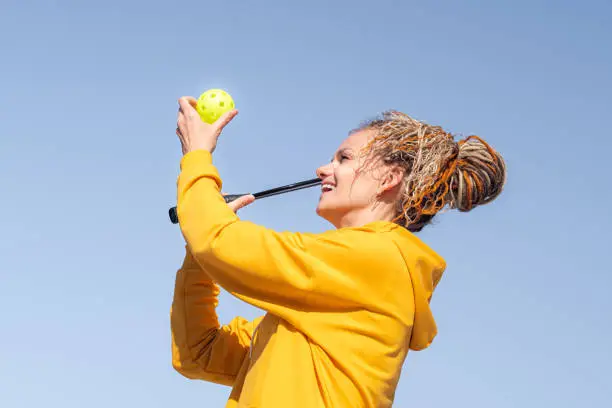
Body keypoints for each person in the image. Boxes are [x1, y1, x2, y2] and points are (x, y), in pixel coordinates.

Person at [170, 97, 506, 408]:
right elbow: (200, 352)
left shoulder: (378, 258)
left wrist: (197, 158)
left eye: (344, 158)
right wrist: (197, 246)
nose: (322, 169)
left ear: (389, 177)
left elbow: (221, 245)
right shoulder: (319, 302)